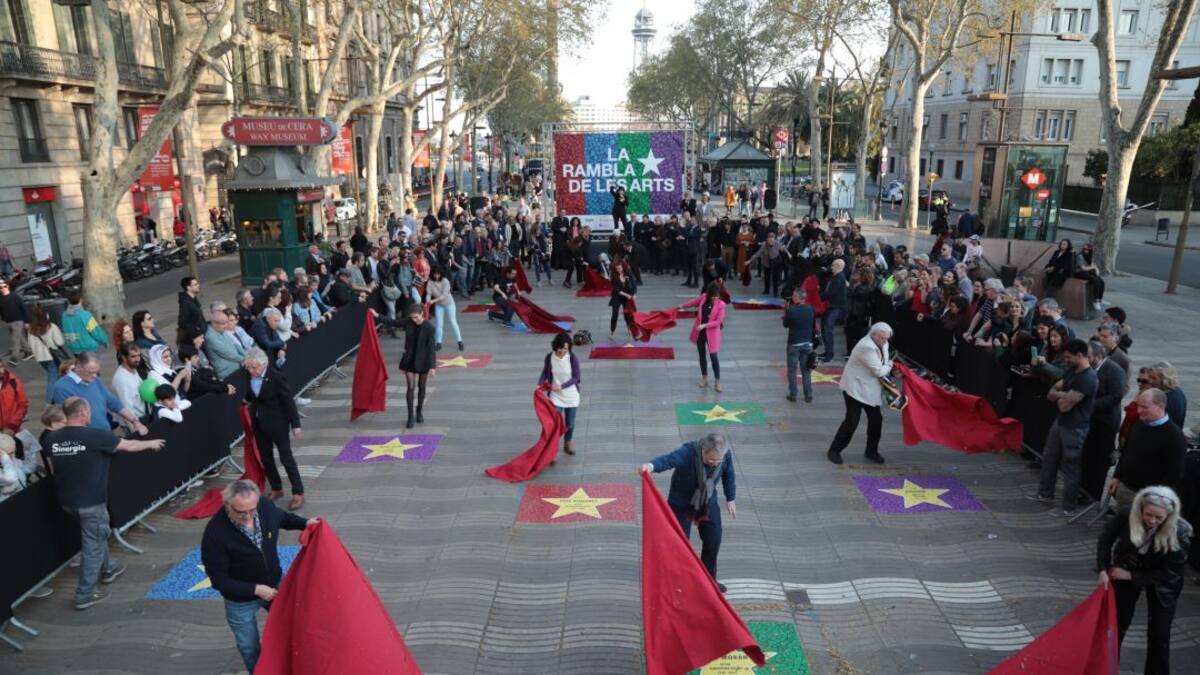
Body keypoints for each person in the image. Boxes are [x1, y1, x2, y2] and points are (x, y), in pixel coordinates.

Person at [44, 397, 163, 609]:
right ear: (82, 413)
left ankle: (109, 568)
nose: (91, 414)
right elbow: (129, 445)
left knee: (96, 535)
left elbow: (54, 467)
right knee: (93, 544)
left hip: (67, 501)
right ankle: (84, 595)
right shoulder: (94, 435)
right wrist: (151, 443)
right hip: (91, 502)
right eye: (89, 410)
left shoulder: (51, 438)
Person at [201, 479, 318, 672]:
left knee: (293, 627)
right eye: (241, 512)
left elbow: (281, 517)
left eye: (251, 510)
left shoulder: (263, 505)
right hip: (240, 601)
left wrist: (306, 523)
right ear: (228, 505)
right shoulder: (215, 534)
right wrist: (256, 589)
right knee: (249, 647)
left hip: (275, 584)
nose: (248, 516)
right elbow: (219, 581)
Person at [1096, 485, 1192, 675]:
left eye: (1159, 517)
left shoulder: (1179, 532)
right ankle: (1105, 668)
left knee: (1159, 634)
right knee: (1117, 623)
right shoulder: (1126, 514)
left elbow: (1169, 576)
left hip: (1162, 581)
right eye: (1148, 515)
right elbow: (1105, 539)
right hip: (1128, 565)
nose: (1152, 521)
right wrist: (1102, 570)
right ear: (1140, 508)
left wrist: (1131, 576)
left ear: (1169, 516)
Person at [638, 433, 737, 593]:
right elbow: (668, 460)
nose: (715, 464)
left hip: (707, 500)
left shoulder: (724, 455)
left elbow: (729, 474)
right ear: (703, 450)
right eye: (711, 460)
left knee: (714, 539)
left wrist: (730, 498)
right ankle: (679, 581)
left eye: (718, 460)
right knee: (680, 544)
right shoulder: (688, 452)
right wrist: (650, 466)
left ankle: (709, 580)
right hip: (681, 502)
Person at [1029, 339, 1098, 517]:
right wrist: (1064, 394)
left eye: (1068, 357)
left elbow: (1063, 405)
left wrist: (1061, 396)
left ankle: (1068, 507)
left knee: (1070, 467)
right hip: (1061, 423)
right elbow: (1052, 393)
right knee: (1049, 457)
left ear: (1080, 356)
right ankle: (1045, 494)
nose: (1065, 360)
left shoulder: (1088, 378)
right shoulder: (1072, 370)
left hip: (1075, 428)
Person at [1107, 389, 1189, 513]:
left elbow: (1174, 473)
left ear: (1160, 407)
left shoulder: (1174, 436)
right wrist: (1117, 477)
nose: (1139, 410)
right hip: (1125, 489)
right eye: (1138, 405)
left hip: (1149, 498)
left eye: (1144, 407)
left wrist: (1158, 499)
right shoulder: (1140, 424)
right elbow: (1127, 452)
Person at [242, 348, 304, 511]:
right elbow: (252, 395)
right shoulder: (249, 376)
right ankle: (276, 488)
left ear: (264, 364)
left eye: (254, 367)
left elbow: (288, 402)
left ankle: (298, 492)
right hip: (259, 424)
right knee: (266, 458)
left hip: (278, 424)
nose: (251, 371)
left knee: (286, 458)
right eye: (248, 367)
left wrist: (295, 425)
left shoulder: (276, 377)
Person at [827, 322, 893, 465]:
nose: (885, 341)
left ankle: (871, 451)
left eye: (887, 338)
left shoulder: (883, 343)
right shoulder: (866, 347)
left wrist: (888, 367)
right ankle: (834, 450)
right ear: (873, 334)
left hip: (869, 390)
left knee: (876, 420)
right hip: (854, 389)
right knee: (851, 422)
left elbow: (883, 363)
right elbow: (879, 370)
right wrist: (891, 365)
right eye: (882, 338)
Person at [52, 352, 148, 434]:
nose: (94, 376)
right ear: (78, 367)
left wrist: (135, 421)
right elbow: (68, 421)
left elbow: (113, 402)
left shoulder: (94, 379)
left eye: (96, 372)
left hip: (105, 433)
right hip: (88, 440)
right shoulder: (62, 387)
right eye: (90, 372)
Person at [539, 333, 581, 456]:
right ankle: (552, 448)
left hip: (571, 395)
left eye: (565, 349)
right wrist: (539, 384)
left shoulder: (572, 358)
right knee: (553, 423)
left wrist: (562, 386)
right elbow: (545, 372)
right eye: (560, 348)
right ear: (555, 346)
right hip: (555, 396)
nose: (562, 351)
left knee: (570, 423)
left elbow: (576, 378)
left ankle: (567, 442)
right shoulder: (549, 357)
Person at [681, 282, 727, 392]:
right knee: (702, 355)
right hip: (700, 333)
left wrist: (705, 325)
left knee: (714, 356)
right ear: (709, 294)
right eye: (713, 296)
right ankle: (704, 377)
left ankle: (717, 381)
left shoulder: (721, 305)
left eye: (717, 296)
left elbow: (718, 321)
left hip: (712, 333)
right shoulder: (703, 298)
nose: (715, 298)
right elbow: (693, 302)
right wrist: (681, 306)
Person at [398, 304, 436, 429]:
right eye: (412, 318)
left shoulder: (429, 328)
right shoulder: (408, 322)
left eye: (416, 317)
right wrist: (377, 316)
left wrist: (432, 366)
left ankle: (419, 410)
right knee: (410, 388)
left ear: (422, 313)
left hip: (424, 361)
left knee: (422, 386)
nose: (414, 320)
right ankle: (410, 416)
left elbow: (431, 349)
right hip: (409, 360)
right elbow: (393, 322)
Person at [783, 286, 817, 403]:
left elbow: (785, 324)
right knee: (806, 370)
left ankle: (793, 394)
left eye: (793, 295)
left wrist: (787, 310)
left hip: (794, 343)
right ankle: (808, 395)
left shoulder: (791, 310)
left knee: (792, 370)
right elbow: (813, 325)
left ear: (797, 297)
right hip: (807, 343)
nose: (792, 297)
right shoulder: (811, 309)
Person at [27, 307, 67, 403]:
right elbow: (59, 342)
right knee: (52, 378)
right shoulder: (51, 327)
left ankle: (58, 396)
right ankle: (49, 401)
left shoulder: (31, 329)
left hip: (40, 358)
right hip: (51, 355)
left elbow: (30, 344)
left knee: (54, 375)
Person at [425, 266, 463, 352]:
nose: (436, 276)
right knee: (439, 324)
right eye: (435, 274)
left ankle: (459, 341)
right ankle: (438, 343)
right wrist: (428, 299)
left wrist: (433, 300)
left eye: (438, 274)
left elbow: (444, 295)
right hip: (439, 305)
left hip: (449, 303)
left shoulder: (445, 281)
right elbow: (428, 293)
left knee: (453, 322)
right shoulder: (430, 282)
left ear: (441, 274)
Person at [60, 291, 110, 355]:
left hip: (74, 348)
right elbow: (95, 331)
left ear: (69, 301)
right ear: (81, 300)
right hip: (88, 348)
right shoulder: (85, 315)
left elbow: (66, 331)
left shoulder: (64, 315)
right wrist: (104, 340)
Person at [205, 309, 249, 380]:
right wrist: (243, 359)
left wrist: (245, 356)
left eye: (226, 322)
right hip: (227, 373)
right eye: (223, 323)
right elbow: (228, 354)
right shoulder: (210, 337)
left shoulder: (221, 330)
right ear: (214, 324)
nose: (226, 325)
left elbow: (236, 345)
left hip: (238, 366)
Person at [110, 343, 148, 422]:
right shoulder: (122, 380)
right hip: (135, 422)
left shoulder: (133, 369)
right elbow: (126, 408)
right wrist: (136, 427)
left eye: (139, 355)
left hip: (142, 417)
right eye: (133, 356)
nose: (138, 359)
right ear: (124, 358)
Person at [819, 259, 848, 362]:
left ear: (838, 266)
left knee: (828, 329)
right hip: (831, 306)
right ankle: (827, 351)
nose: (831, 267)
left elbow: (830, 292)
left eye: (833, 265)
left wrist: (818, 296)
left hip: (836, 307)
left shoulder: (839, 278)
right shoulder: (836, 277)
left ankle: (829, 354)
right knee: (824, 328)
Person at [0, 278, 29, 365]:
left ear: (7, 286)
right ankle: (28, 351)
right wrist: (4, 319)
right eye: (0, 287)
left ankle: (14, 358)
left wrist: (27, 321)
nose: (2, 288)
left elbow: (23, 309)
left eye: (4, 286)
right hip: (9, 321)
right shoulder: (1, 299)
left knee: (15, 340)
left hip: (17, 321)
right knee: (19, 337)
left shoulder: (15, 297)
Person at [608, 261, 636, 342]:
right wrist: (627, 295)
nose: (618, 270)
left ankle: (629, 328)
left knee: (627, 314)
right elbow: (616, 290)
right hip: (617, 297)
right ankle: (612, 332)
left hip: (626, 297)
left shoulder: (628, 274)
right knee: (615, 315)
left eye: (619, 268)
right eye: (617, 269)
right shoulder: (614, 276)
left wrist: (634, 294)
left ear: (623, 267)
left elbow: (634, 285)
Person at [0, 363, 28, 436]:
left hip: (11, 430)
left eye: (1, 366)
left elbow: (22, 405)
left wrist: (11, 426)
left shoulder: (13, 381)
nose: (2, 371)